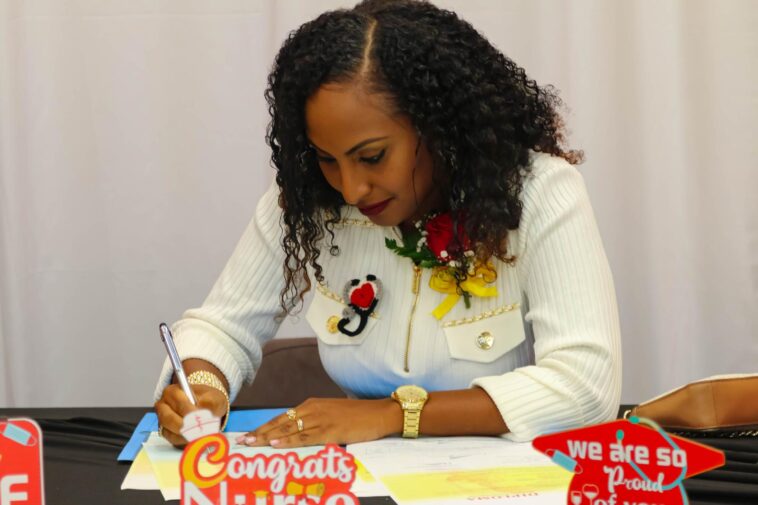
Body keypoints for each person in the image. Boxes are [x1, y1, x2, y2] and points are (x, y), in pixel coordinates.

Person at [154, 0, 622, 449]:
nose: (351, 189)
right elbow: (223, 326)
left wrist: (392, 415)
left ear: (438, 126)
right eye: (326, 159)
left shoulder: (539, 192)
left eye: (372, 156)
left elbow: (584, 386)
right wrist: (202, 384)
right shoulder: (311, 201)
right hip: (362, 478)